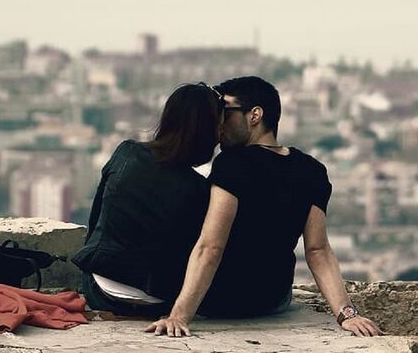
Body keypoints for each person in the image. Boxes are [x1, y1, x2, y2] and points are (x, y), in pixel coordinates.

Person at [145, 76, 382, 337]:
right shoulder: (312, 170)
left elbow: (211, 247)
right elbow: (318, 250)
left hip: (221, 299)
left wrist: (179, 316)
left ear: (255, 115)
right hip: (274, 299)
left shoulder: (232, 164)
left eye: (226, 112)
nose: (219, 123)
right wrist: (347, 314)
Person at [72, 82, 224, 318]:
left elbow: (97, 217)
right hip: (158, 299)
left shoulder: (127, 154)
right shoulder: (200, 189)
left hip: (102, 290)